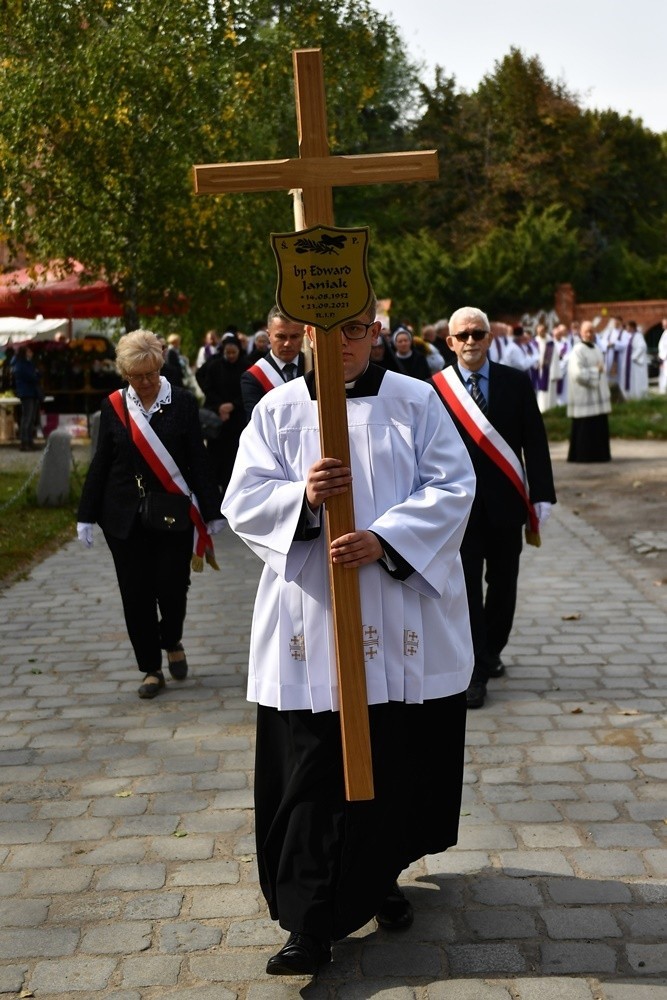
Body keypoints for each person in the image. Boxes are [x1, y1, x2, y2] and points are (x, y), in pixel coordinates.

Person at [222, 294, 476, 977]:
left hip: (394, 618)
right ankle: (307, 924)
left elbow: (454, 486)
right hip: (311, 618)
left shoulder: (415, 401)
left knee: (390, 760)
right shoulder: (277, 411)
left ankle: (380, 876)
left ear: (376, 333)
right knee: (310, 769)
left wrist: (384, 539)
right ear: (304, 333)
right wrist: (303, 502)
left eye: (357, 330)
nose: (343, 343)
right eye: (327, 331)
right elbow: (242, 500)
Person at [76, 330, 223, 699]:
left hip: (172, 511)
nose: (145, 383)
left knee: (173, 588)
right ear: (124, 374)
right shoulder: (113, 406)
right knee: (135, 593)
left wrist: (211, 510)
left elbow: (197, 459)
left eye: (151, 374)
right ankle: (150, 668)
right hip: (122, 515)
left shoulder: (183, 402)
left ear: (160, 366)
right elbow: (102, 461)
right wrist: (86, 514)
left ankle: (172, 639)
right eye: (136, 376)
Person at [431, 306, 556, 710]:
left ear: (489, 338)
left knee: (503, 585)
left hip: (506, 504)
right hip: (456, 510)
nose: (471, 341)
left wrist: (542, 494)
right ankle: (473, 669)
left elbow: (534, 441)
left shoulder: (515, 382)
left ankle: (492, 649)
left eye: (478, 333)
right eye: (463, 335)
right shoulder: (433, 389)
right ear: (449, 342)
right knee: (464, 587)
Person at [196, 335, 248, 494]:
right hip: (218, 422)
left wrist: (233, 405)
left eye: (234, 352)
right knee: (215, 461)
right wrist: (220, 407)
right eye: (228, 352)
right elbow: (208, 388)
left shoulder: (246, 367)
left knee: (234, 460)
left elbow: (247, 391)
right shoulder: (214, 366)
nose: (231, 356)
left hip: (237, 421)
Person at [240, 306, 305, 419]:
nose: (287, 343)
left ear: (303, 335)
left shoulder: (316, 367)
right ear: (269, 335)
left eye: (294, 336)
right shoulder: (253, 377)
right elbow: (255, 424)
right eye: (281, 337)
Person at [567, 319, 612, 463]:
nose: (589, 334)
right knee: (585, 429)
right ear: (581, 333)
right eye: (586, 331)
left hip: (597, 398)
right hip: (584, 398)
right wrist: (595, 371)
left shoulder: (596, 348)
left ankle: (600, 455)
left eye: (591, 331)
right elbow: (577, 374)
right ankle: (583, 456)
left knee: (598, 427)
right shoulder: (577, 350)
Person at [10, 345, 41, 451]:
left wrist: (36, 374)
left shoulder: (27, 364)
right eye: (29, 351)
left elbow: (36, 374)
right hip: (26, 393)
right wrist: (36, 374)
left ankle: (30, 440)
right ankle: (25, 442)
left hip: (31, 392)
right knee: (27, 419)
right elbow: (32, 376)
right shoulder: (20, 365)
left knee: (31, 418)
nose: (31, 353)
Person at [658, 318, 667, 395]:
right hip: (663, 357)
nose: (663, 325)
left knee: (665, 374)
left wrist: (662, 358)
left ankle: (663, 390)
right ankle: (662, 390)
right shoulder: (665, 332)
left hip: (665, 358)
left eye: (664, 323)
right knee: (663, 374)